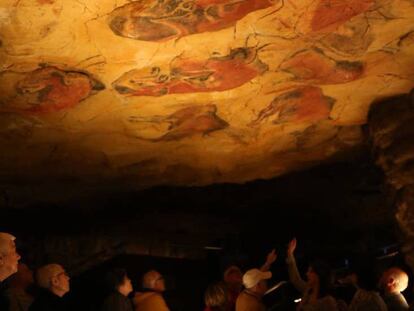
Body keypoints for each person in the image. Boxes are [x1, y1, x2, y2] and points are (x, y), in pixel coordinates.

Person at [286, 238, 338, 311]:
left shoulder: (328, 301)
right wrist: (290, 254)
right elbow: (296, 279)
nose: (307, 274)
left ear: (317, 275)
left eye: (310, 271)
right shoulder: (308, 290)